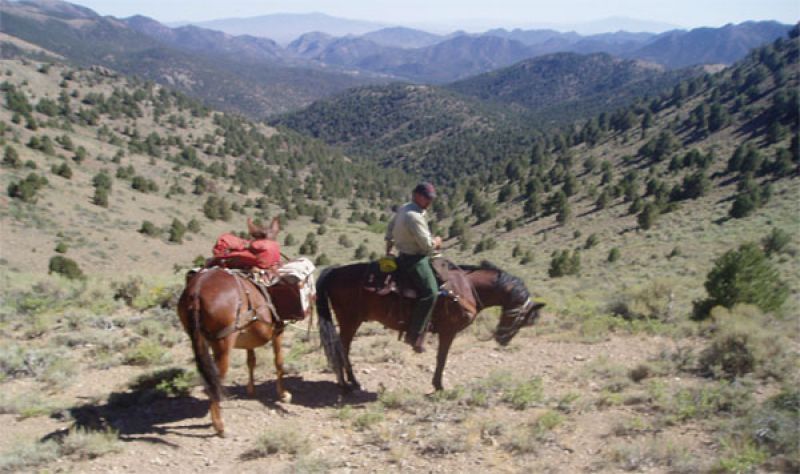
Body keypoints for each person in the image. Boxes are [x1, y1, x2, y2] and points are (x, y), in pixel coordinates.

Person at [385, 182, 442, 353]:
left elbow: (390, 227)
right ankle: (414, 334)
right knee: (430, 293)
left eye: (431, 199)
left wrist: (388, 247)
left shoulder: (405, 208)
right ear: (417, 195)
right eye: (427, 198)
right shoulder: (414, 216)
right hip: (414, 259)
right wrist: (437, 241)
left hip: (402, 254)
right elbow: (426, 246)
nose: (430, 202)